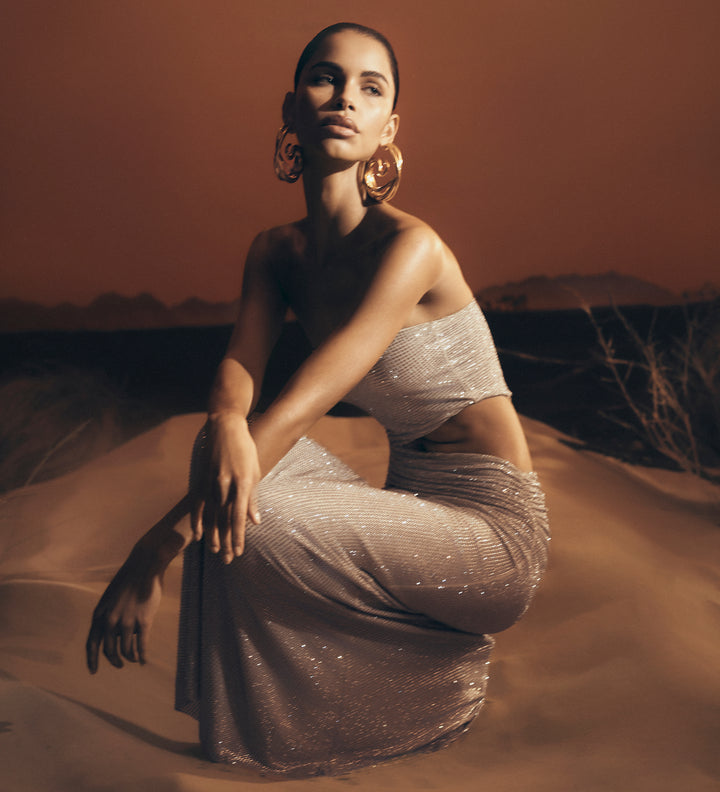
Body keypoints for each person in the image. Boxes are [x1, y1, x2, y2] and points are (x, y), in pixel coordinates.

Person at [86, 22, 550, 777]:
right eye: (326, 79)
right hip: (407, 511)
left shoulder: (412, 247)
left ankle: (430, 689)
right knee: (222, 453)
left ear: (389, 129)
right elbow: (243, 364)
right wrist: (227, 419)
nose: (345, 98)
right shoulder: (276, 252)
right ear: (291, 107)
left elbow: (305, 399)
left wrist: (153, 553)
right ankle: (264, 731)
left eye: (371, 88)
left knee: (246, 507)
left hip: (488, 537)